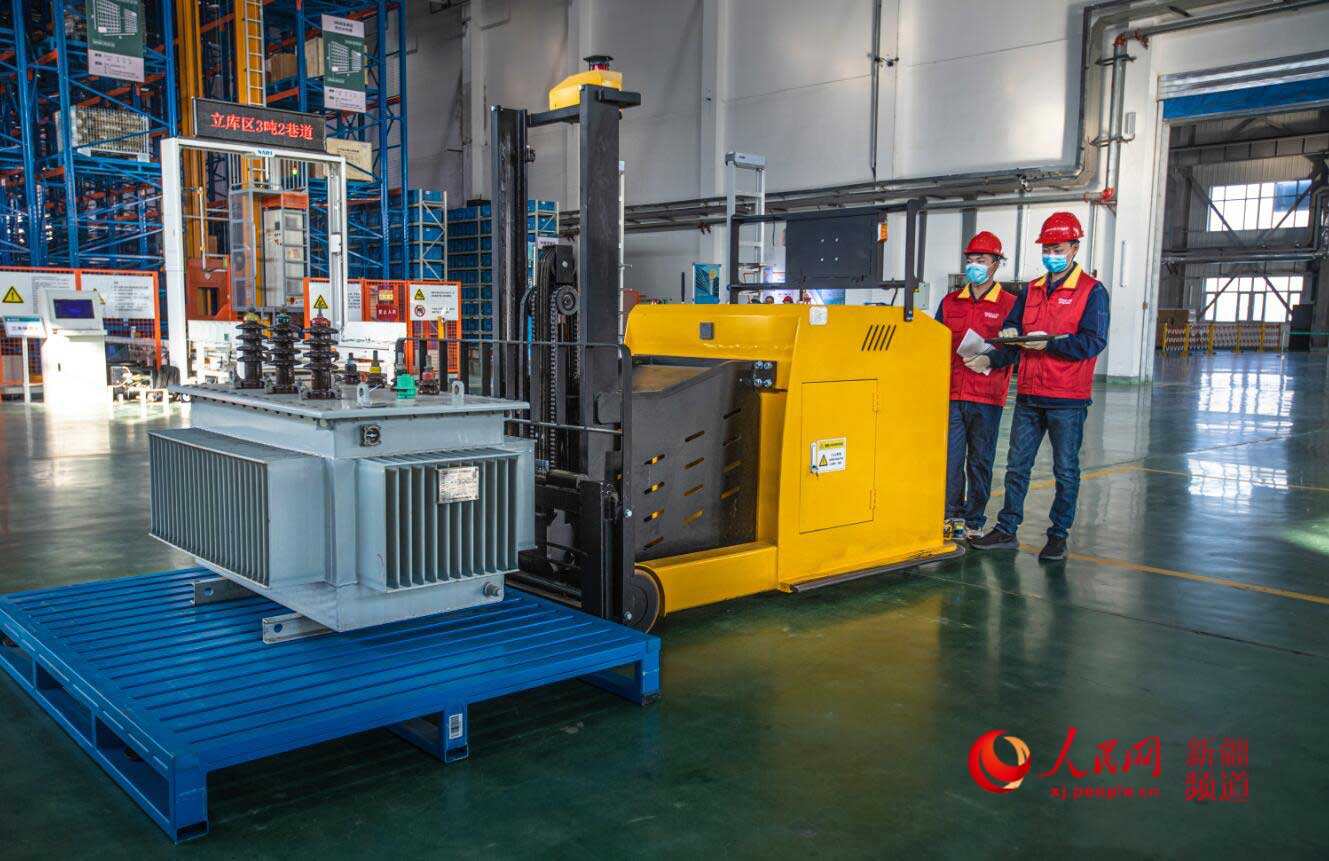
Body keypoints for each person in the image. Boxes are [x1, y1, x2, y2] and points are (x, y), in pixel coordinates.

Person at [969, 212, 1109, 562]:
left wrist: (1049, 344)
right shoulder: (1030, 290)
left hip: (1067, 398)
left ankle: (1058, 535)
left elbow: (1093, 342)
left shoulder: (1092, 291)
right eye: (1047, 249)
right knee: (1017, 467)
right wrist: (1002, 345)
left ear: (1075, 248)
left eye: (1058, 249)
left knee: (1065, 470)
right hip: (1029, 395)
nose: (1051, 255)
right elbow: (1013, 330)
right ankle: (1006, 530)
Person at [935, 231, 1018, 539]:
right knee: (951, 458)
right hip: (952, 392)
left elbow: (1016, 350)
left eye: (980, 260)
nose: (974, 265)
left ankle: (974, 519)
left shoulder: (1010, 305)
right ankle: (951, 515)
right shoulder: (950, 302)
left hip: (987, 395)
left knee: (980, 460)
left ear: (995, 264)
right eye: (970, 260)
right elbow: (934, 342)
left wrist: (990, 359)